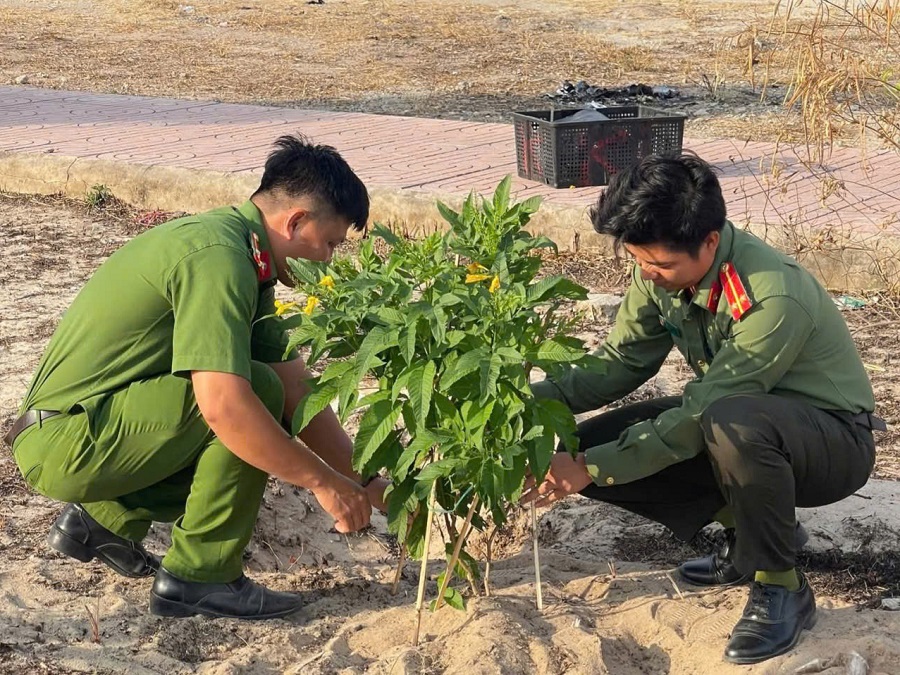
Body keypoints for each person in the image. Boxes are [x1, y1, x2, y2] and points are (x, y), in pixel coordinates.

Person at [4, 134, 389, 620]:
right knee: (250, 397)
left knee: (264, 391)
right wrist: (322, 482)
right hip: (64, 442)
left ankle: (103, 521)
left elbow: (298, 391)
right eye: (330, 243)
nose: (329, 259)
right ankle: (200, 576)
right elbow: (224, 407)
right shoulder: (220, 259)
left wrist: (369, 482)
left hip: (81, 430)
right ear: (295, 222)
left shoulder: (244, 254)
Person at [522, 153, 884, 665]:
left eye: (660, 265)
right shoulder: (661, 272)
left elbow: (702, 414)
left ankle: (781, 584)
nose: (648, 274)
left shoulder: (770, 296)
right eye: (639, 261)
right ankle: (748, 538)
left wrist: (588, 469)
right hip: (737, 421)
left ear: (709, 242)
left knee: (723, 426)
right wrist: (527, 404)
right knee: (590, 443)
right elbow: (621, 362)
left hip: (831, 444)